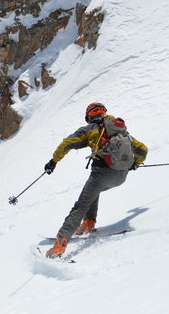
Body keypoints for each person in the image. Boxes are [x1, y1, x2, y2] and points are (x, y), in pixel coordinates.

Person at [43, 102, 148, 258]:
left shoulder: (90, 129)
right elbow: (142, 149)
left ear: (89, 116)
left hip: (101, 174)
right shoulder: (119, 129)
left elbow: (66, 144)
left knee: (80, 206)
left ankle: (60, 244)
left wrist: (53, 161)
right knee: (93, 192)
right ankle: (89, 222)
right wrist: (134, 164)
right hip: (121, 176)